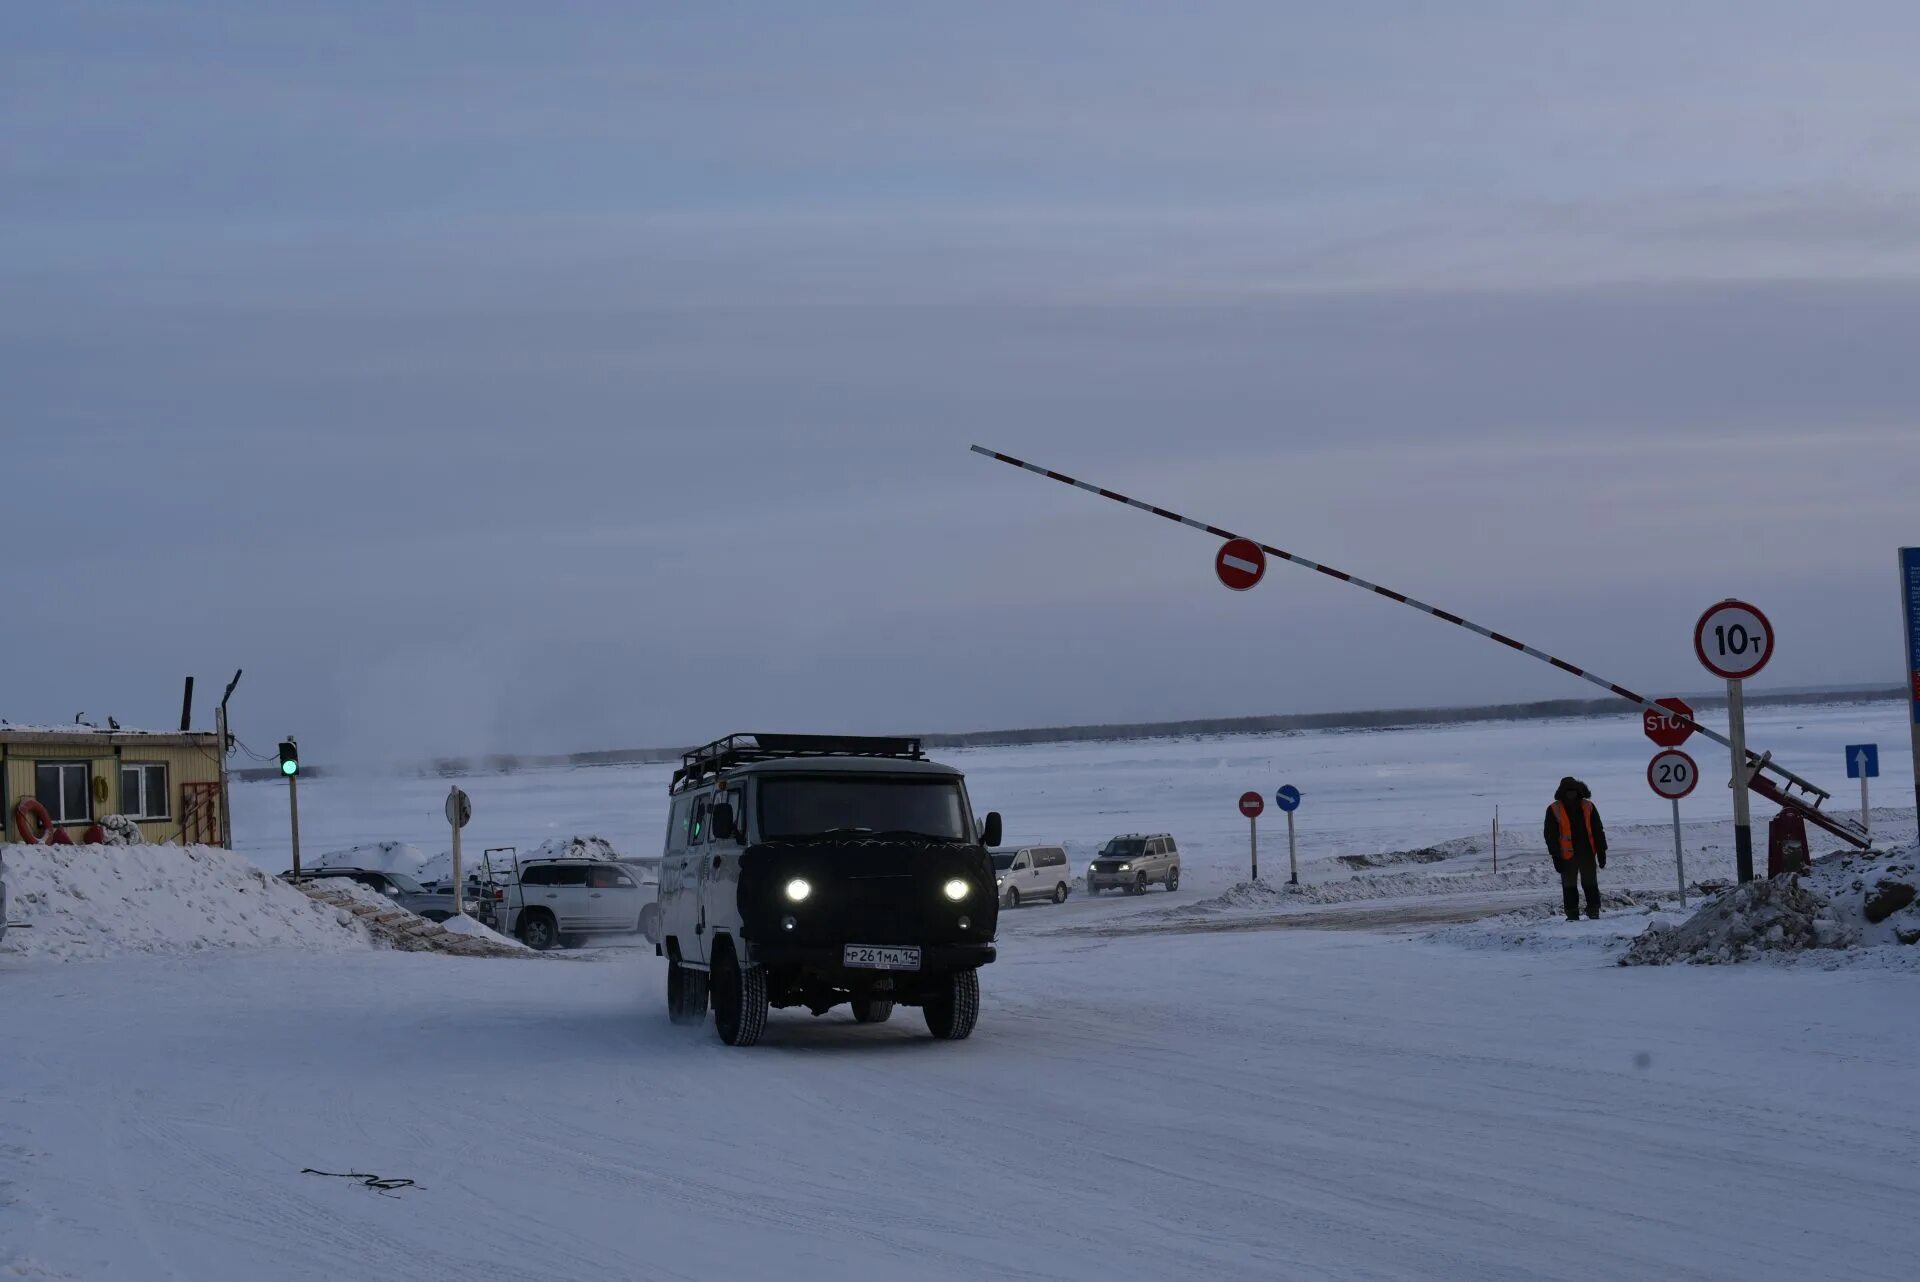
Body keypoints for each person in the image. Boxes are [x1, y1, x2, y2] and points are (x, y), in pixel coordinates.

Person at [1544, 776, 1607, 921]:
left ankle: (1573, 914)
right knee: (1589, 884)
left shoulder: (1555, 808)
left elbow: (1550, 836)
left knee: (1570, 887)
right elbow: (1598, 830)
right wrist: (1602, 851)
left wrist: (1556, 856)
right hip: (1580, 855)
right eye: (1569, 791)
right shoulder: (1585, 805)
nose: (1571, 794)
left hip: (1571, 856)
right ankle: (1592, 911)